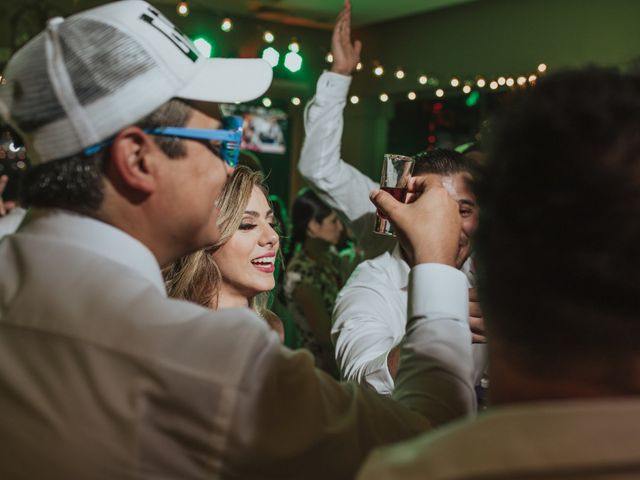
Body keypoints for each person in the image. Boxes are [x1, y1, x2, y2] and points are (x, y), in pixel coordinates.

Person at [0, 1, 476, 478]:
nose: (228, 166)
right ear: (138, 159)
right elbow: (432, 442)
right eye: (217, 142)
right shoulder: (202, 361)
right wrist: (434, 264)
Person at [358, 68, 640, 479]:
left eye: (466, 212)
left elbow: (426, 421)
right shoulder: (371, 281)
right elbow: (367, 374)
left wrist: (434, 271)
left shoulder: (413, 471)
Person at [299, 1, 486, 393]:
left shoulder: (500, 272)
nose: (449, 222)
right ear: (401, 207)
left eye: (464, 208)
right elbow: (366, 382)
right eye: (434, 207)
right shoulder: (373, 273)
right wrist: (338, 76)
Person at [332, 149, 488, 394]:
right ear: (406, 214)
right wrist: (439, 322)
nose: (450, 226)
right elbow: (360, 381)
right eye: (436, 212)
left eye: (464, 211)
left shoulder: (486, 276)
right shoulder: (370, 285)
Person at [164, 166, 284, 342]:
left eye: (271, 223)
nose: (272, 236)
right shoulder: (174, 329)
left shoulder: (271, 326)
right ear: (204, 239)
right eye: (247, 225)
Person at [284, 188, 346, 377]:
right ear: (312, 227)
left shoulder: (329, 257)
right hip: (319, 371)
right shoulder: (300, 273)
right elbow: (324, 336)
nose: (340, 227)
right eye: (333, 221)